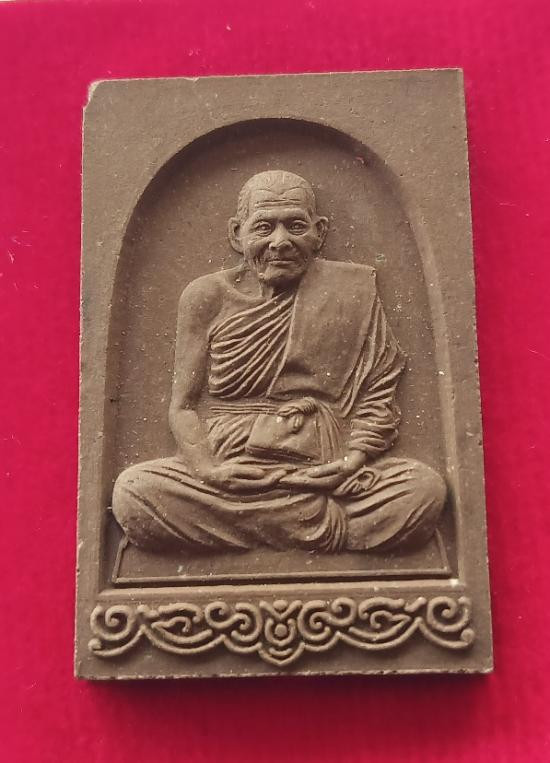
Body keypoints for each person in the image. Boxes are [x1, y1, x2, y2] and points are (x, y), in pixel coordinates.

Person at [112, 170, 446, 554]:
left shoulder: (352, 292)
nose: (280, 241)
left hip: (324, 467)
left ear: (319, 232)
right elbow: (184, 406)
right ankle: (320, 527)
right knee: (134, 492)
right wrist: (210, 472)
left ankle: (258, 526)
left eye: (296, 226)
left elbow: (378, 391)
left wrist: (353, 460)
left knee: (422, 490)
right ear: (237, 234)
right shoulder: (206, 297)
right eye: (264, 227)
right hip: (232, 467)